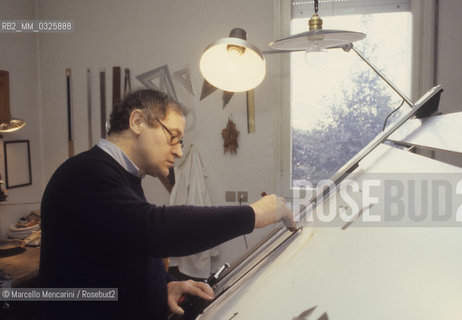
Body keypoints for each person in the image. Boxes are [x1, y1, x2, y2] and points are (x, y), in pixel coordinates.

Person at [39, 89, 295, 319]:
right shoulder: (86, 173)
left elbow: (129, 243)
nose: (179, 151)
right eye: (173, 136)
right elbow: (154, 230)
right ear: (137, 121)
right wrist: (252, 215)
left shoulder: (124, 176)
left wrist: (165, 285)